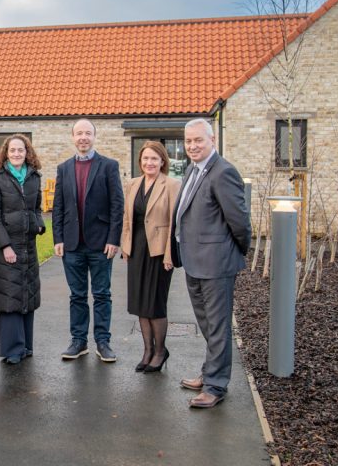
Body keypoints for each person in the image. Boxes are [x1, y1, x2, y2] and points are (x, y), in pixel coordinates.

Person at [171, 119, 251, 409]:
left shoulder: (223, 172)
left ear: (212, 139)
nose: (192, 146)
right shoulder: (193, 168)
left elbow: (239, 221)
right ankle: (209, 372)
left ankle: (216, 385)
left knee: (217, 325)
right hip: (194, 261)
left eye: (198, 141)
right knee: (206, 323)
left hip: (216, 265)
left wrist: (238, 251)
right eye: (188, 141)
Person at [52, 119, 124, 362]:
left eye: (88, 133)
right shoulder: (63, 168)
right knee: (77, 295)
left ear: (94, 136)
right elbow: (58, 206)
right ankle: (78, 341)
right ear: (73, 137)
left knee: (102, 294)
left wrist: (114, 238)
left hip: (101, 244)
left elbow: (117, 205)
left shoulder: (109, 166)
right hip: (72, 244)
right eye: (79, 133)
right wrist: (58, 238)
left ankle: (103, 342)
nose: (83, 137)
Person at [0, 134, 46, 365]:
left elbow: (37, 207)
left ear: (27, 152)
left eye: (21, 150)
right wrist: (5, 246)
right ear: (6, 153)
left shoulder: (34, 178)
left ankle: (26, 346)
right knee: (10, 296)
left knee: (27, 295)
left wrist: (39, 224)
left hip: (28, 246)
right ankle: (12, 349)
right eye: (13, 150)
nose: (17, 154)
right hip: (6, 248)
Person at [121, 141, 180, 373]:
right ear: (140, 161)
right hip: (137, 250)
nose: (149, 163)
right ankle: (147, 350)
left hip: (158, 252)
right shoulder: (133, 184)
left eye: (154, 159)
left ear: (162, 161)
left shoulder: (172, 185)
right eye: (145, 158)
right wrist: (126, 246)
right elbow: (128, 218)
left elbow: (175, 224)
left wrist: (170, 254)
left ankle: (160, 351)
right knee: (140, 304)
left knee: (155, 304)